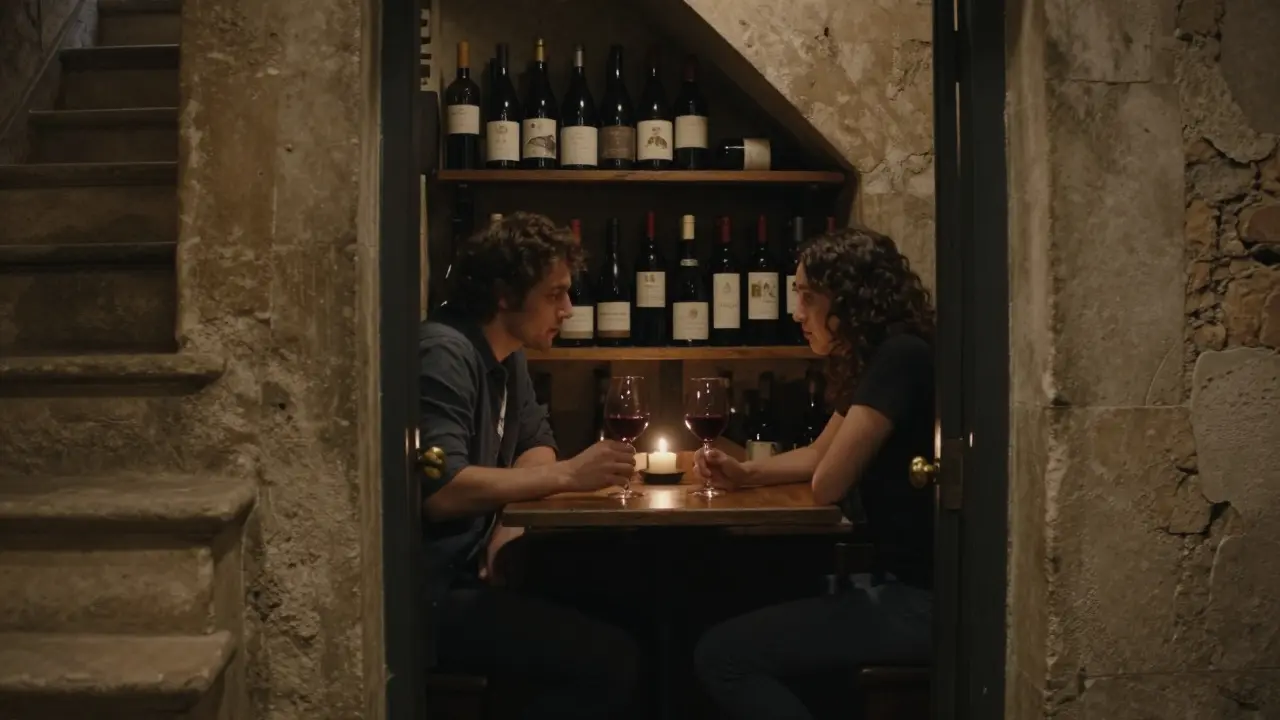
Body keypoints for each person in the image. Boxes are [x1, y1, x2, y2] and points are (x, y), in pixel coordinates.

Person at [692, 226, 936, 720]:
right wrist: (744, 474)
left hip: (923, 604)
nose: (796, 312)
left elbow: (829, 481)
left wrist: (759, 474)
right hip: (904, 590)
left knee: (722, 657)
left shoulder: (899, 357)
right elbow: (816, 453)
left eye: (806, 296)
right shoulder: (881, 355)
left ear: (847, 297)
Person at [418, 212, 639, 719]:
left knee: (628, 595)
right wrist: (566, 477)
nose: (568, 308)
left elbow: (536, 441)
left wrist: (506, 529)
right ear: (504, 294)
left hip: (475, 567)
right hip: (433, 594)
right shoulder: (445, 352)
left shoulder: (508, 352)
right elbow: (442, 490)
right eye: (554, 294)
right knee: (610, 659)